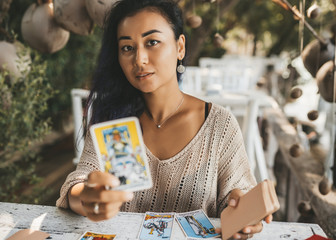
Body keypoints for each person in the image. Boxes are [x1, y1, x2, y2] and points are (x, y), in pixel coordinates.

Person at [56, 0, 272, 238]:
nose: (139, 60)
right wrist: (86, 196)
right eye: (127, 47)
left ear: (180, 47)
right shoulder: (112, 120)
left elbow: (236, 195)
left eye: (152, 42)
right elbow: (76, 185)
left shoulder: (219, 124)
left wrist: (242, 212)